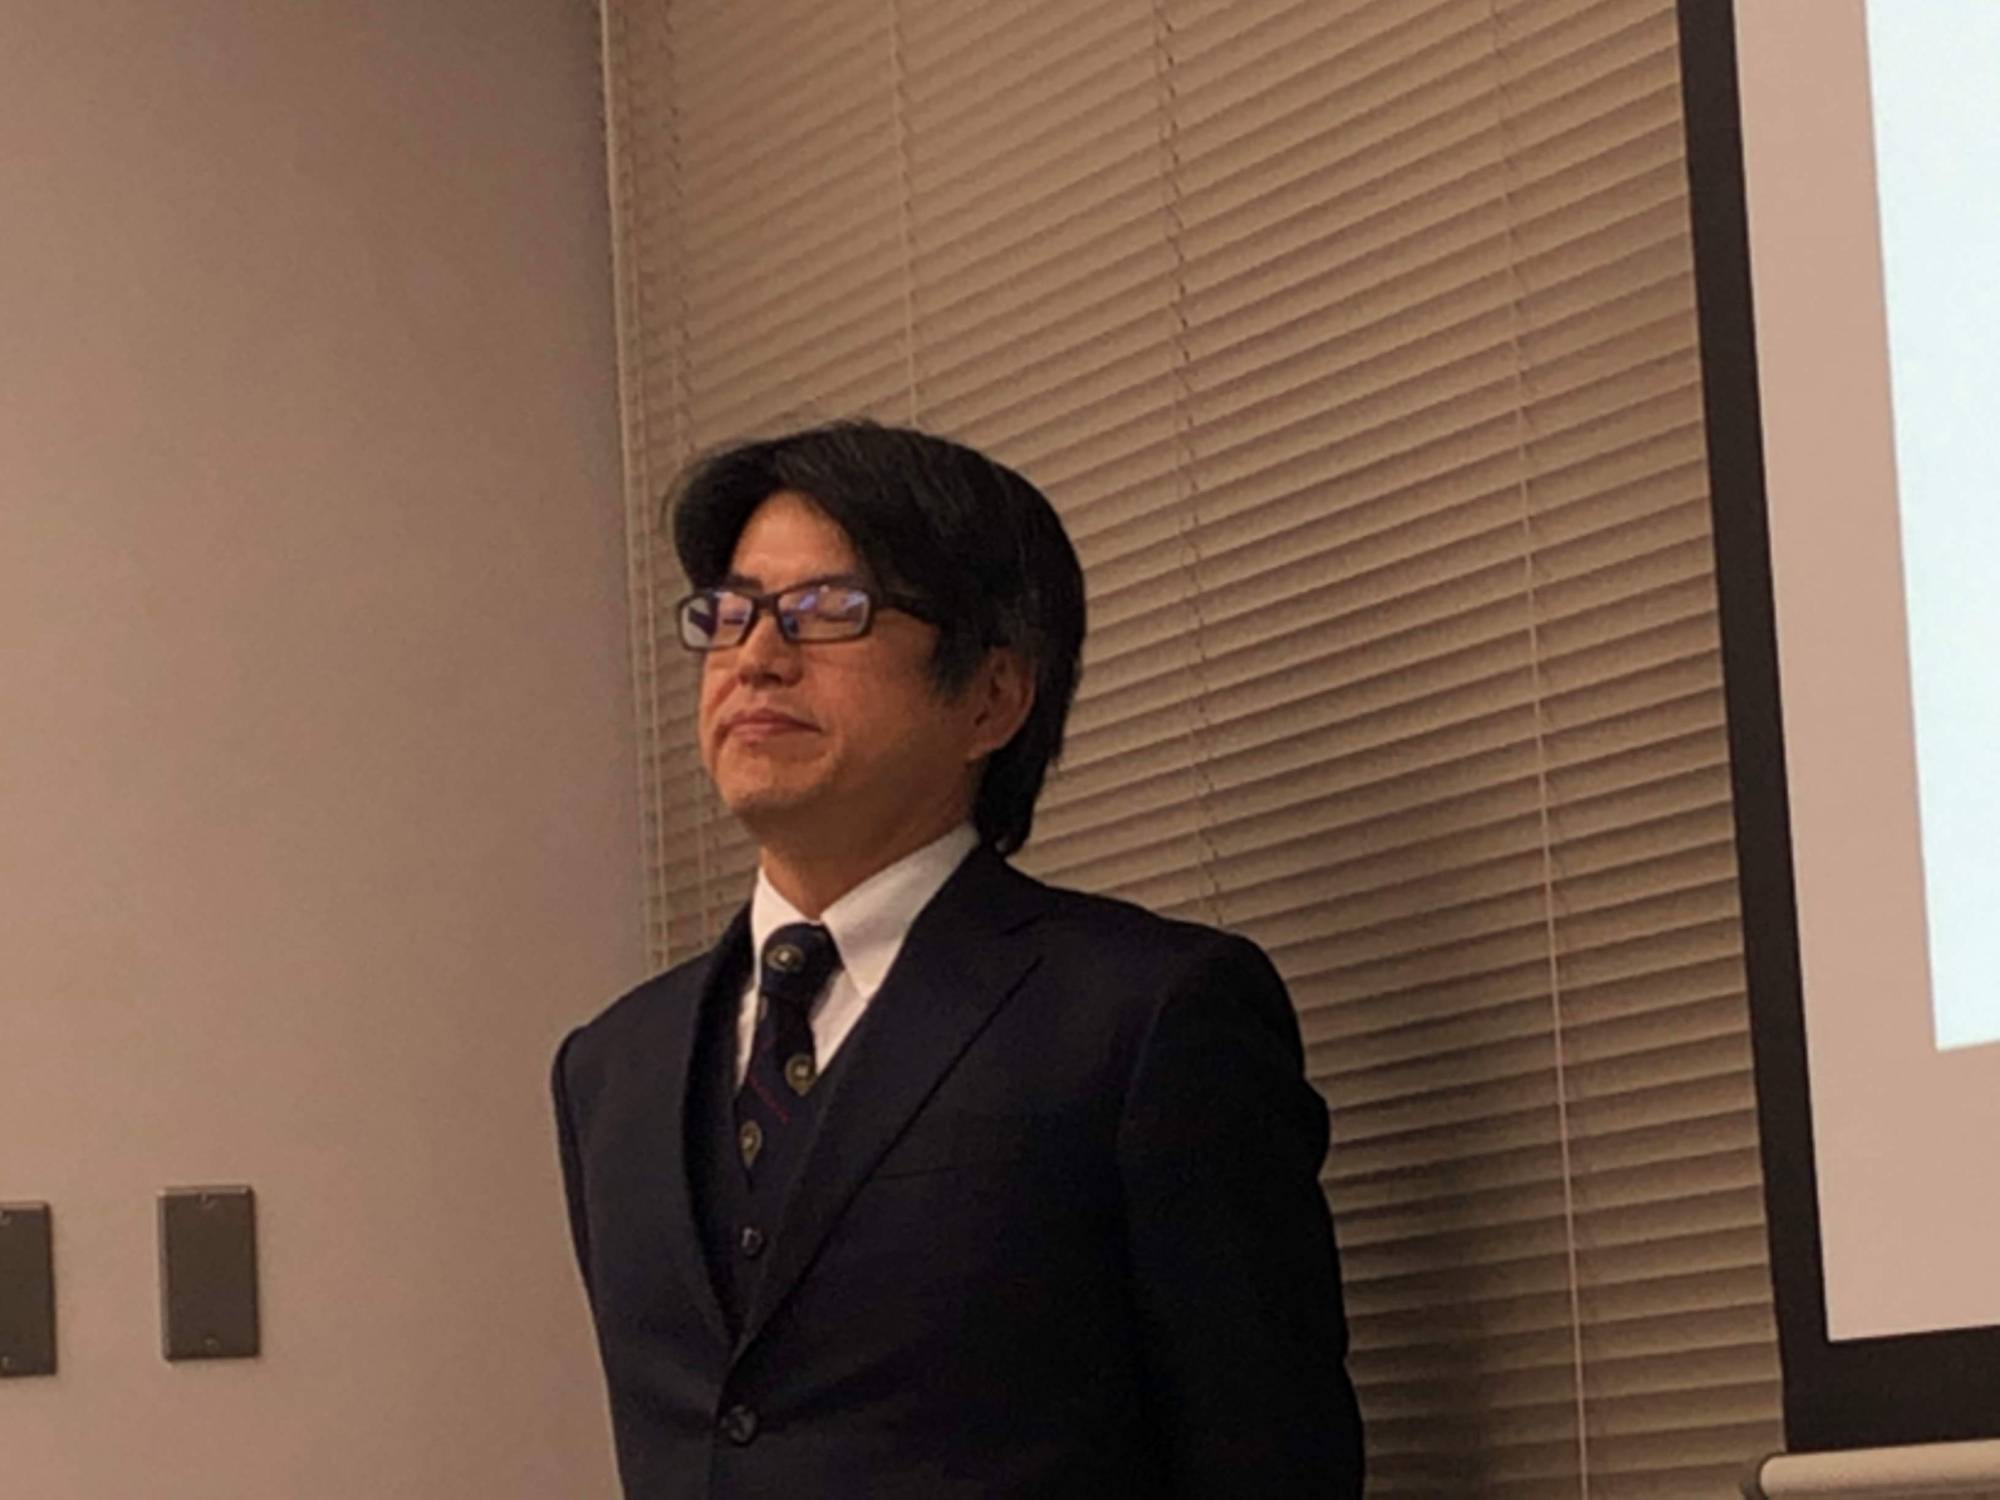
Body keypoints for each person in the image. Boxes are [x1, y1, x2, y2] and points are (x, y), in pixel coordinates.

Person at [551, 421, 1364, 1498]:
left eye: (826, 610)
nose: (755, 657)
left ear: (991, 697)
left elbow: (1269, 1460)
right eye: (729, 613)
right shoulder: (613, 1068)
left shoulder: (1146, 1016)